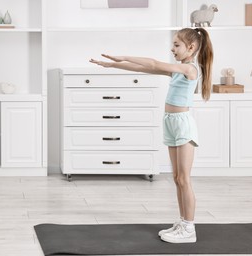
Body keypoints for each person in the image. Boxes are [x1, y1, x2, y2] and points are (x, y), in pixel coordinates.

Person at [89, 27, 213, 244]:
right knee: (177, 178)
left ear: (191, 48)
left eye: (177, 45)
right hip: (171, 123)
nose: (172, 48)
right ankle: (183, 221)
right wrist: (113, 65)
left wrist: (124, 55)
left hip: (183, 126)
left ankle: (189, 229)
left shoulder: (190, 69)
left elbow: (154, 63)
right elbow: (145, 69)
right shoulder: (177, 70)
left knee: (184, 179)